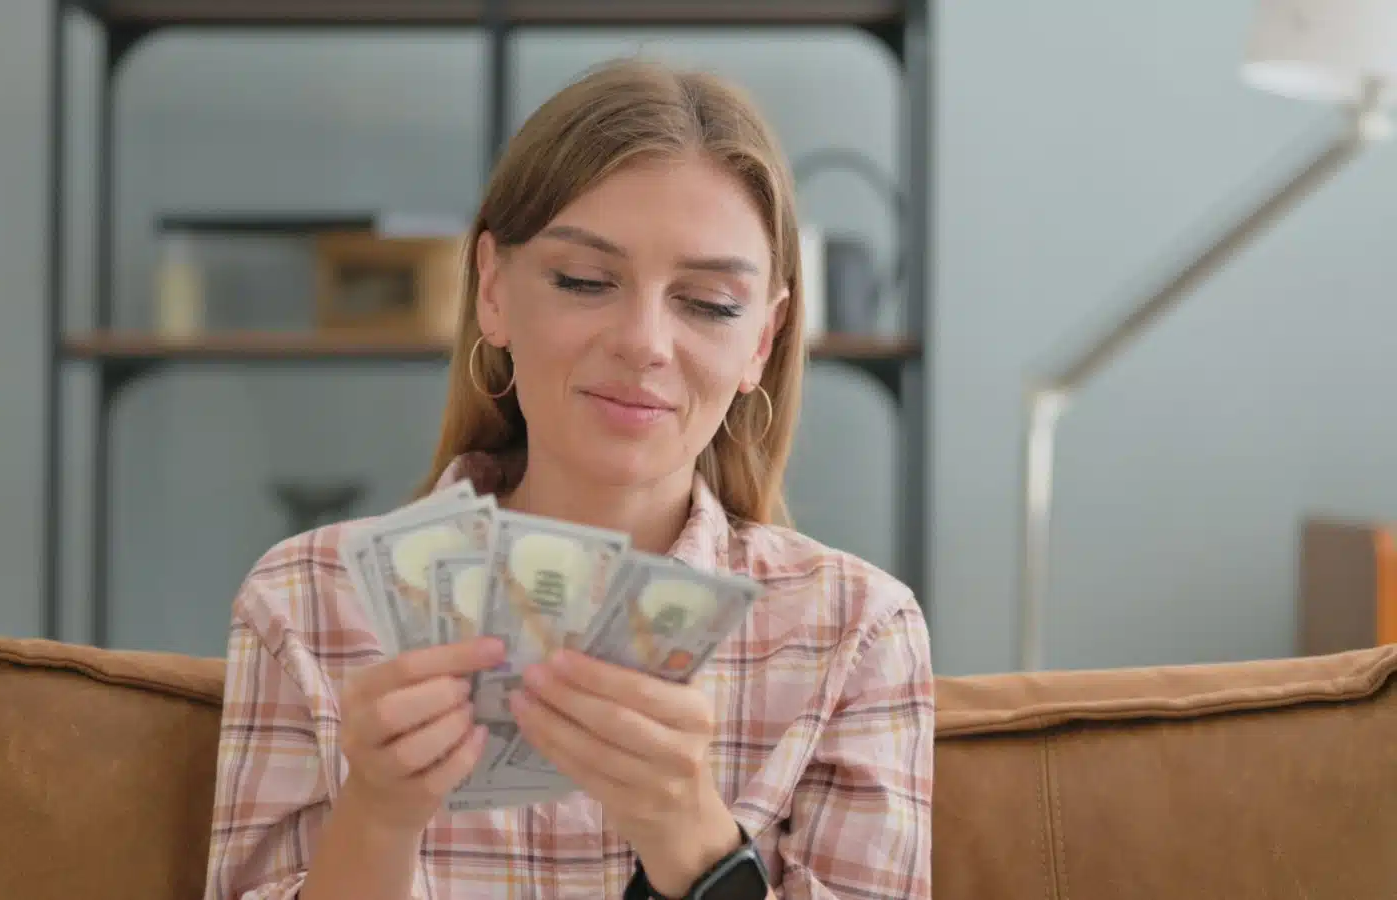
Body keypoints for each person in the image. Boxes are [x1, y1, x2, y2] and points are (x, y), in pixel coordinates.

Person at [203, 58, 934, 900]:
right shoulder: (304, 603)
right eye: (586, 282)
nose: (644, 342)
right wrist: (377, 817)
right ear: (492, 290)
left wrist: (692, 840)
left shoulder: (856, 635)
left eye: (709, 303)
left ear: (761, 343)